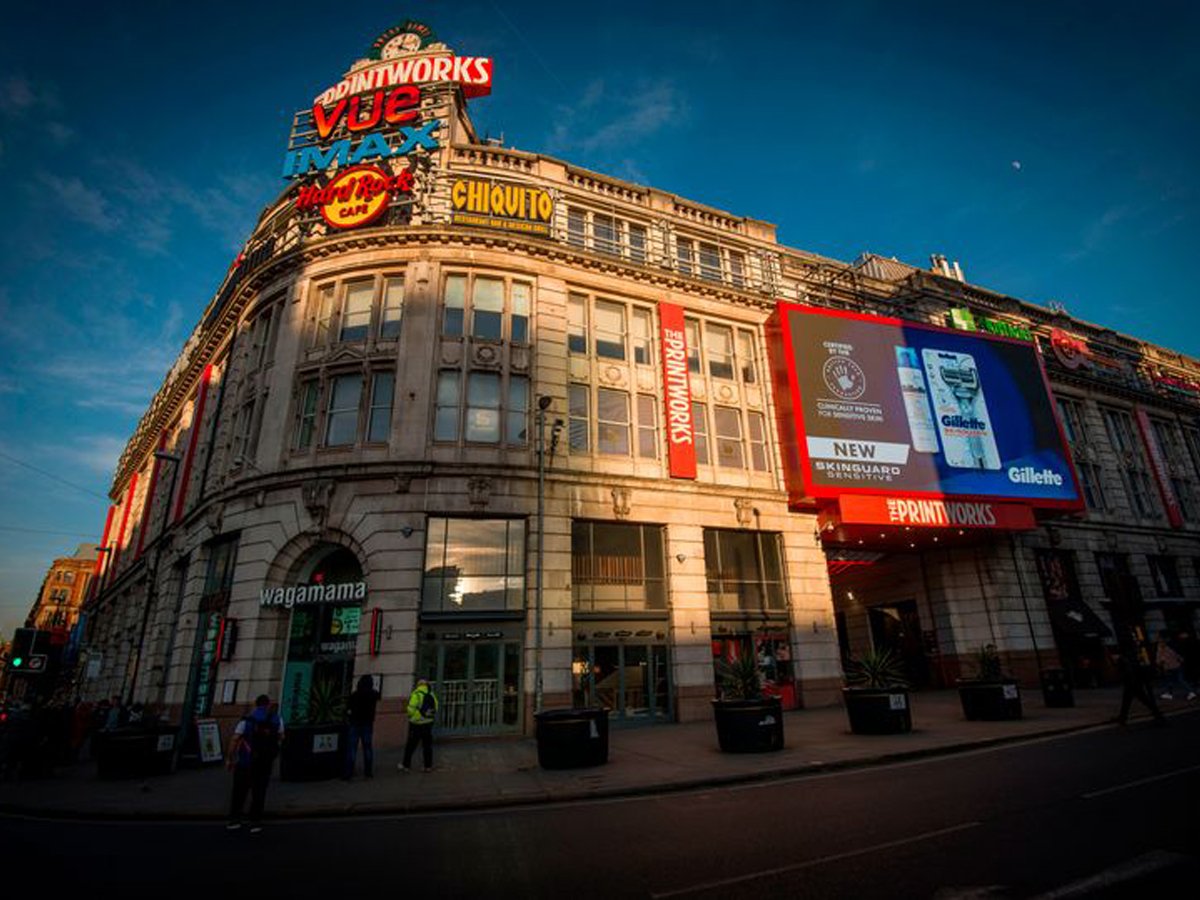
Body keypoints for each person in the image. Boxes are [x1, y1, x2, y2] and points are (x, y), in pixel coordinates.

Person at [226, 694, 284, 833]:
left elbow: (235, 739)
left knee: (239, 791)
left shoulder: (247, 720)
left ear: (255, 704)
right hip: (264, 762)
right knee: (259, 792)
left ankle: (235, 820)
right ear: (268, 704)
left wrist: (229, 758)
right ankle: (255, 822)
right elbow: (282, 737)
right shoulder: (277, 719)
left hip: (246, 761)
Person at [1113, 625, 1166, 727]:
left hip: (1132, 679)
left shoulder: (1127, 652)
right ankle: (1123, 718)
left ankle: (1158, 715)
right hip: (1134, 678)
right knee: (1129, 700)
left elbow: (1128, 666)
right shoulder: (1132, 650)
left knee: (1141, 699)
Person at [343, 674, 381, 779]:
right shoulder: (373, 694)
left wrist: (349, 715)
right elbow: (378, 695)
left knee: (352, 748)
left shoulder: (355, 695)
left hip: (355, 723)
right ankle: (368, 772)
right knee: (367, 748)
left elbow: (348, 709)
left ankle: (348, 773)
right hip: (367, 723)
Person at [399, 677, 438, 773]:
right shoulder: (431, 694)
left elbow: (411, 708)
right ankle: (428, 766)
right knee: (427, 746)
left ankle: (406, 765)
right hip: (428, 723)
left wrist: (412, 716)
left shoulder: (416, 694)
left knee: (411, 745)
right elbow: (436, 707)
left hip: (416, 723)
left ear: (418, 685)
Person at [1155, 630, 1196, 701]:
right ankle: (1170, 693)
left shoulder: (1161, 645)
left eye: (1157, 636)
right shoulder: (1169, 644)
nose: (1156, 637)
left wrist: (1158, 662)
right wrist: (1180, 658)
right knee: (1174, 680)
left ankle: (1190, 691)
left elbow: (1160, 655)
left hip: (1170, 666)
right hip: (1176, 665)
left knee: (1173, 680)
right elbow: (1174, 654)